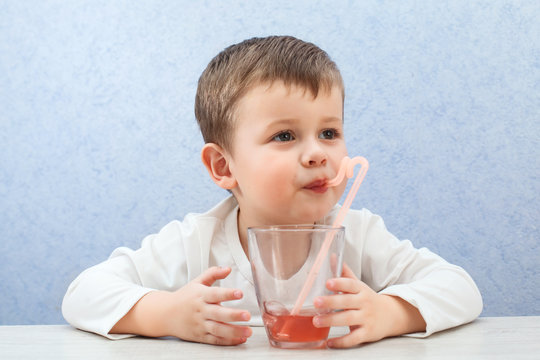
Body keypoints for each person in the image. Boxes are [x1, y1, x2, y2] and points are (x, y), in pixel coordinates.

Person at [62, 35, 482, 348]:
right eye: (285, 135)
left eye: (329, 132)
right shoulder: (195, 243)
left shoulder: (356, 233)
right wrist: (167, 314)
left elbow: (460, 288)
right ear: (223, 166)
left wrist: (389, 312)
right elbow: (83, 293)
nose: (318, 152)